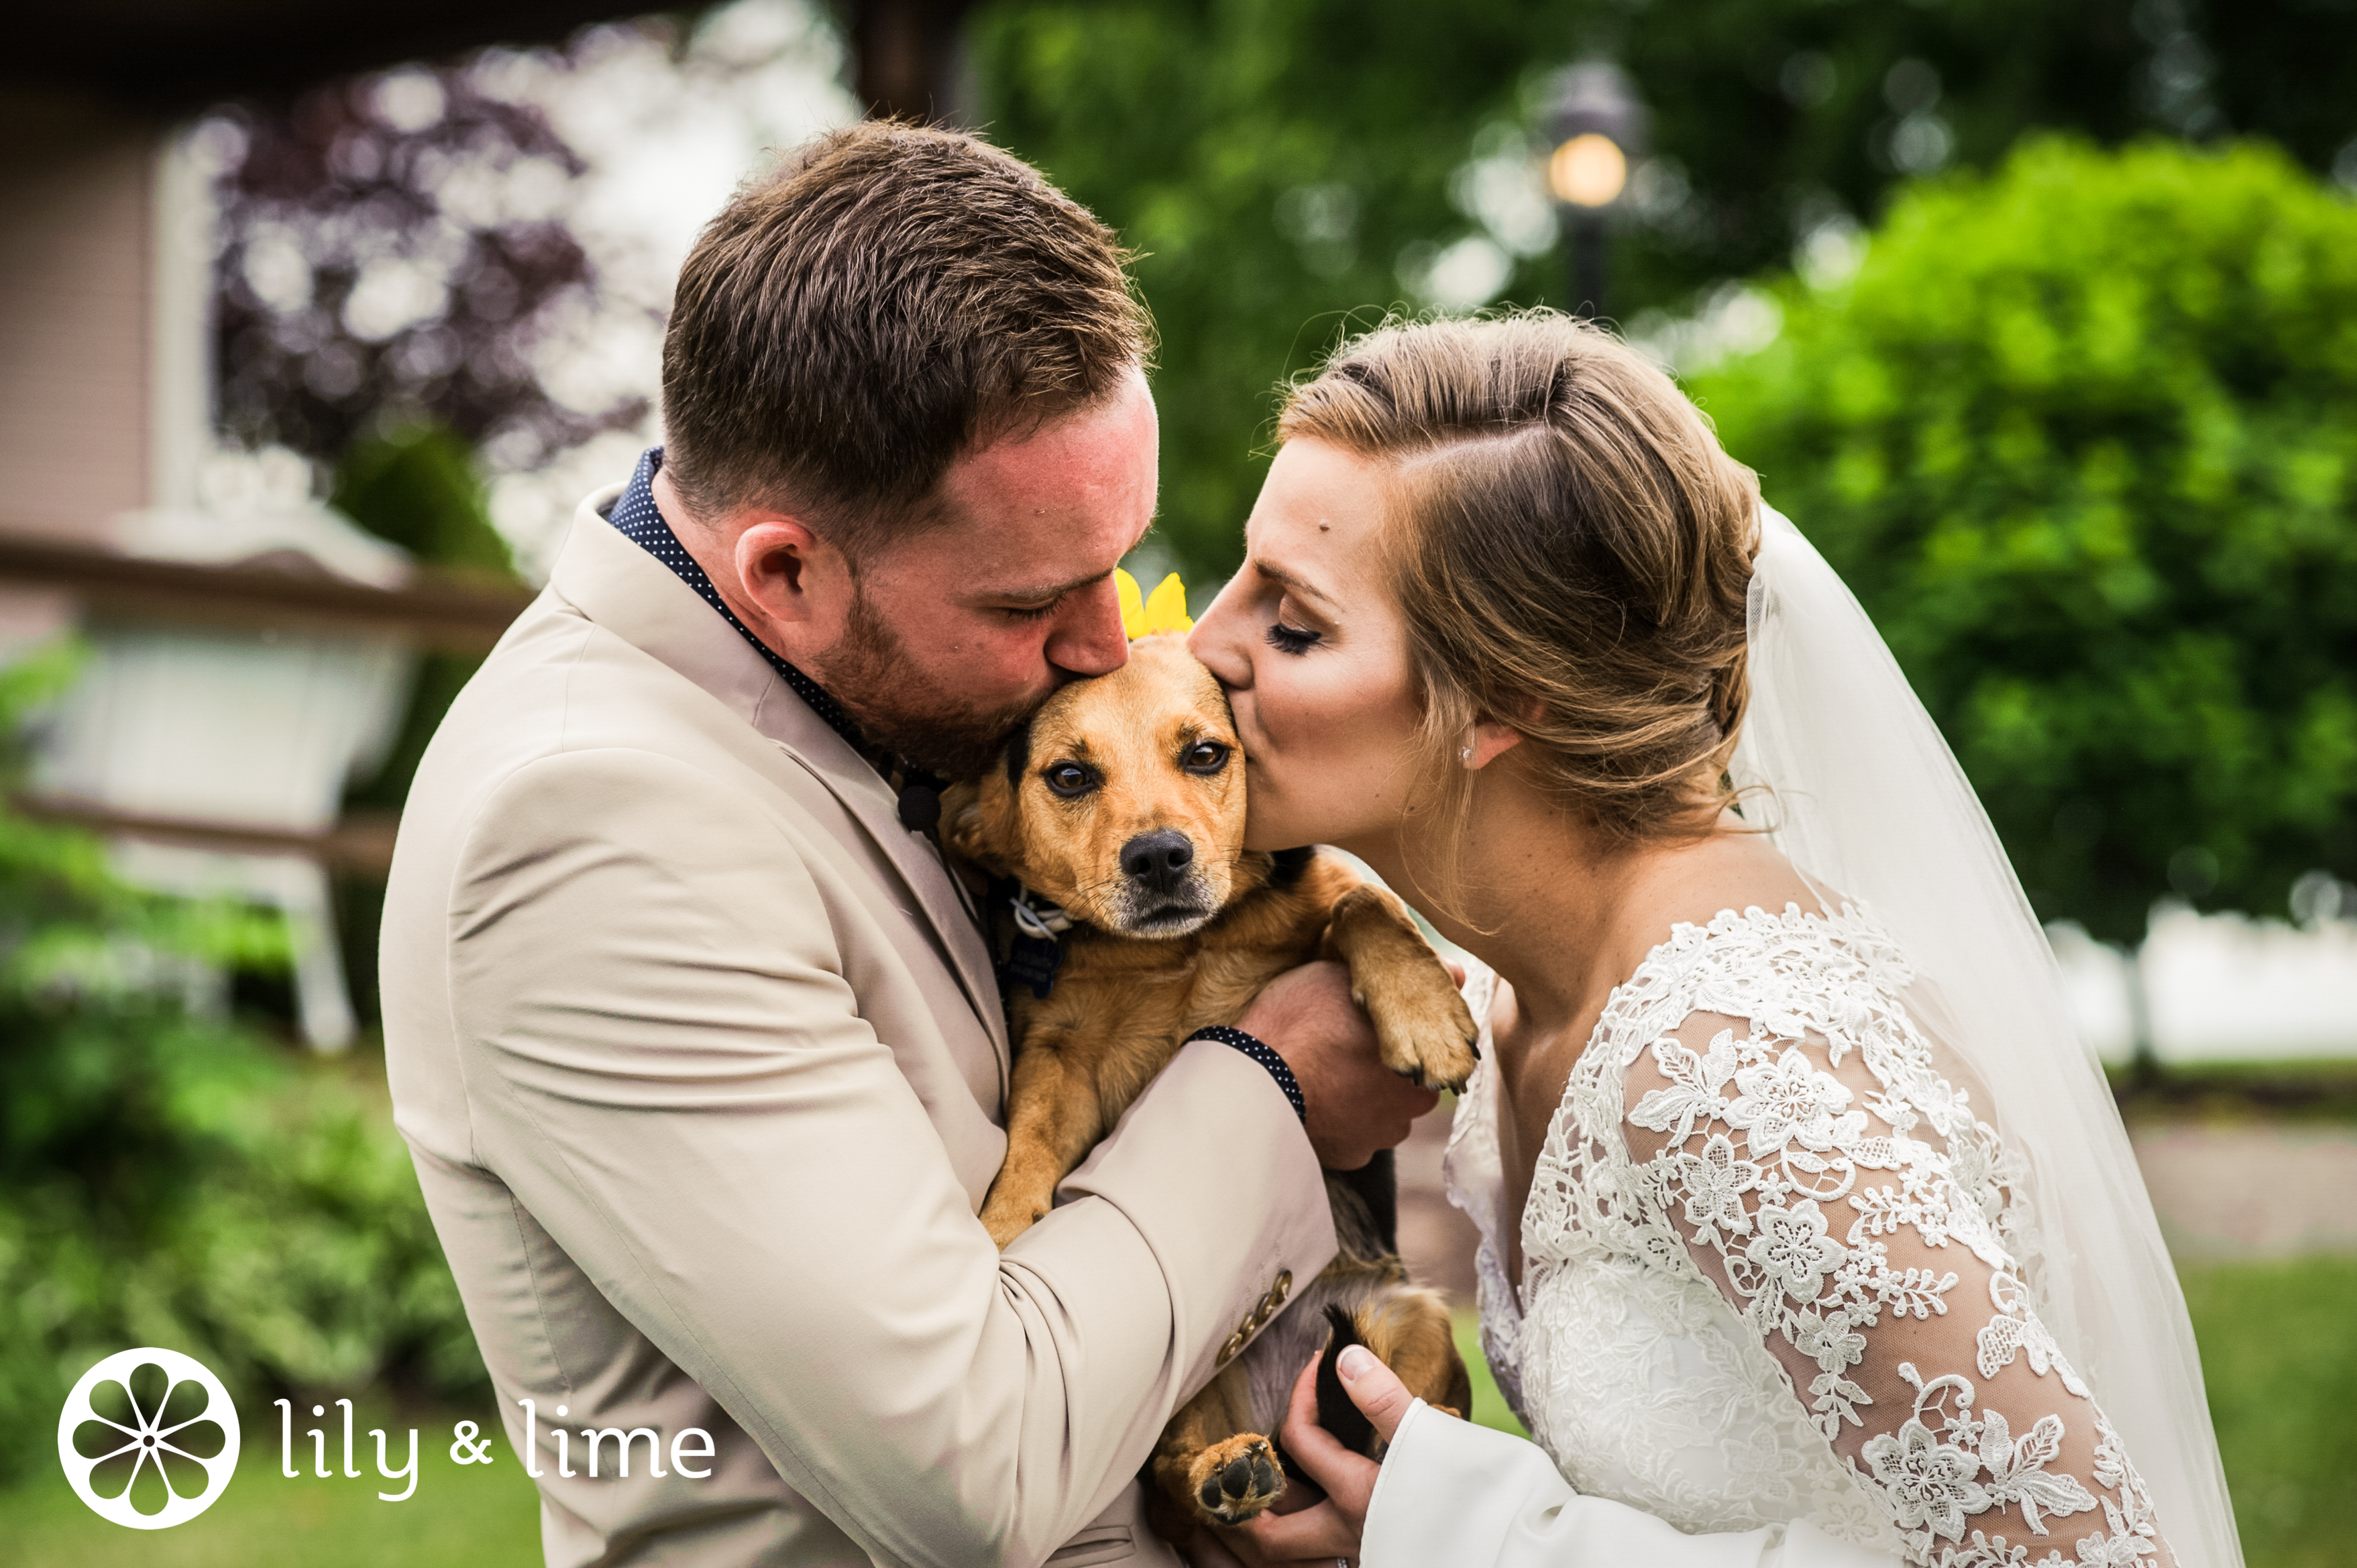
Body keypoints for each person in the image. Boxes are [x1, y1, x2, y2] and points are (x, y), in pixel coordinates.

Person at [380, 122, 1436, 1568]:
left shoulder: (875, 699)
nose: (1105, 640)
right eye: (1030, 604)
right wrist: (1271, 1077)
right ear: (786, 572)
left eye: (1117, 568)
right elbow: (969, 1470)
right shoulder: (586, 824)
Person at [1180, 312, 2242, 1568]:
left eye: (1294, 625)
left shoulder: (1731, 1058)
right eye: (1239, 579)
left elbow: (2089, 1552)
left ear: (1503, 702)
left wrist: (1468, 1533)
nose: (1203, 645)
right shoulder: (1514, 1003)